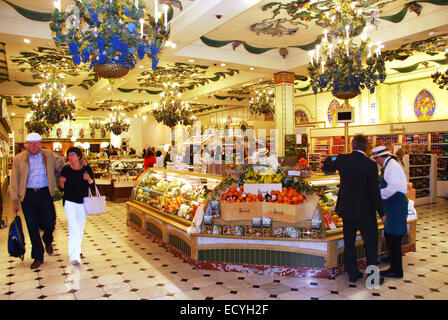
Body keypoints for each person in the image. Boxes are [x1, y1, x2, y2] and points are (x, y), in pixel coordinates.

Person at [322, 135, 385, 283]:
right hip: (365, 211)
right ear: (366, 147)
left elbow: (327, 165)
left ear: (352, 146)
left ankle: (353, 273)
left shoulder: (343, 159)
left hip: (347, 210)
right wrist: (382, 212)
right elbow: (374, 192)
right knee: (370, 243)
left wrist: (331, 159)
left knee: (348, 242)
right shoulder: (370, 165)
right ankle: (372, 277)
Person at [11, 133, 66, 269]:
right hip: (28, 195)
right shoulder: (19, 159)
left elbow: (63, 166)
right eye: (30, 143)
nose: (33, 146)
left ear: (40, 143)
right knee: (32, 225)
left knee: (49, 221)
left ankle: (47, 240)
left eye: (36, 143)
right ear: (26, 144)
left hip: (45, 193)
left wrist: (79, 162)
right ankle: (37, 256)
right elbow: (15, 179)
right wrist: (15, 200)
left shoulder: (49, 155)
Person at [371, 146, 408, 278]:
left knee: (394, 237)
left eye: (376, 159)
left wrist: (377, 195)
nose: (376, 161)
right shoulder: (390, 164)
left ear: (380, 157)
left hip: (395, 204)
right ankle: (392, 260)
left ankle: (396, 269)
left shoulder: (391, 166)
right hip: (392, 205)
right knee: (390, 234)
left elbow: (392, 188)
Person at [59, 147, 95, 267]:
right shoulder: (66, 169)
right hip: (69, 202)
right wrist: (62, 183)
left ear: (79, 156)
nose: (70, 157)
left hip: (83, 202)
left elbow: (92, 184)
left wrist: (89, 179)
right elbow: (62, 188)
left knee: (80, 228)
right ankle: (74, 256)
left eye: (73, 155)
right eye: (69, 155)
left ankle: (77, 249)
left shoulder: (86, 168)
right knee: (73, 228)